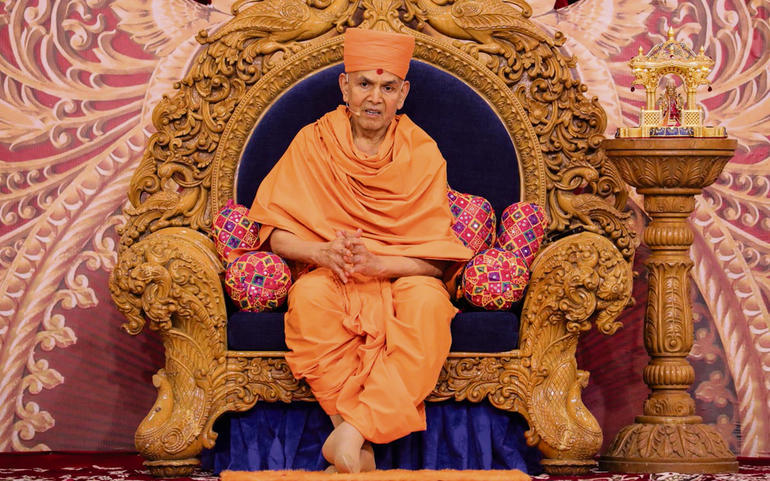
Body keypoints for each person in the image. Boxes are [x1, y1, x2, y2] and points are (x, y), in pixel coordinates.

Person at [242, 27, 473, 473]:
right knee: (310, 299)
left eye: (387, 87)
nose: (374, 97)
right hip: (332, 271)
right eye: (364, 83)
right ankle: (355, 445)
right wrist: (323, 253)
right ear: (344, 86)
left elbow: (436, 259)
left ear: (403, 94)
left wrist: (379, 263)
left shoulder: (422, 152)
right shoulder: (313, 142)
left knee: (428, 307)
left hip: (404, 273)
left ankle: (351, 434)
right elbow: (276, 233)